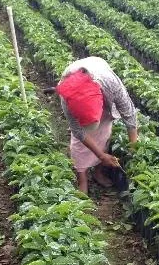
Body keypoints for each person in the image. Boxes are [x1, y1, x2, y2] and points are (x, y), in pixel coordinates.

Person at [54, 56, 138, 194]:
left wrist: (134, 148)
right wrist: (101, 155)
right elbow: (78, 132)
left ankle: (98, 172)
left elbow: (129, 115)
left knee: (103, 132)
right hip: (81, 93)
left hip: (100, 82)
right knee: (79, 145)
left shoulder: (111, 84)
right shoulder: (67, 95)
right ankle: (82, 177)